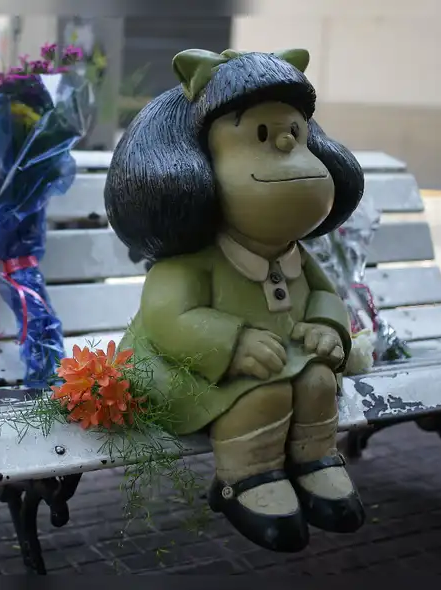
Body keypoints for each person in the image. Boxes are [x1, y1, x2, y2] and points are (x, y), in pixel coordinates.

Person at [104, 48, 366, 553]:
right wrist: (231, 341)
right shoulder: (192, 261)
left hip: (283, 356)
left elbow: (326, 297)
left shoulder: (295, 254)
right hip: (186, 367)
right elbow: (167, 318)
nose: (291, 151)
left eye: (297, 135)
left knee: (315, 381)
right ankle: (246, 479)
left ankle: (315, 463)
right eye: (262, 137)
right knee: (261, 393)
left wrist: (326, 328)